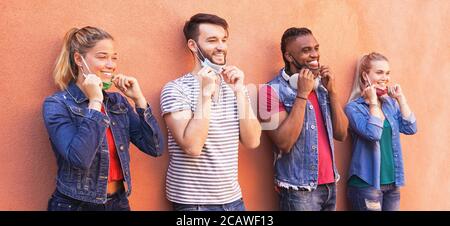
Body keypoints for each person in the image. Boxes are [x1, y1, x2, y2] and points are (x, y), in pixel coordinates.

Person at [43, 26, 164, 211]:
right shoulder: (57, 104)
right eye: (102, 57)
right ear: (79, 59)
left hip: (118, 202)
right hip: (75, 205)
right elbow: (79, 158)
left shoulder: (117, 102)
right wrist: (95, 101)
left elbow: (155, 148)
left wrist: (139, 100)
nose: (111, 64)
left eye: (114, 58)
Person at [160, 13, 261, 211]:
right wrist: (205, 95)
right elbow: (193, 147)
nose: (221, 47)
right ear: (193, 45)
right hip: (195, 203)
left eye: (224, 40)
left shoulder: (234, 87)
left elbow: (253, 141)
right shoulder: (175, 89)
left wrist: (240, 91)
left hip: (233, 199)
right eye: (212, 40)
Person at [259, 27, 348, 211]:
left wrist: (332, 92)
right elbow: (284, 142)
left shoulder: (322, 88)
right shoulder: (266, 92)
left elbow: (341, 134)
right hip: (298, 191)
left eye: (316, 48)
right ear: (289, 57)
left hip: (330, 186)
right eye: (306, 50)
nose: (314, 54)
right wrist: (302, 95)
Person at [345, 52, 417, 211]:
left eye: (387, 73)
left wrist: (400, 98)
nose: (385, 77)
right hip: (367, 184)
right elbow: (374, 134)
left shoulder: (390, 104)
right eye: (379, 72)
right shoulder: (353, 108)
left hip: (392, 183)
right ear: (365, 75)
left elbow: (411, 127)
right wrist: (372, 102)